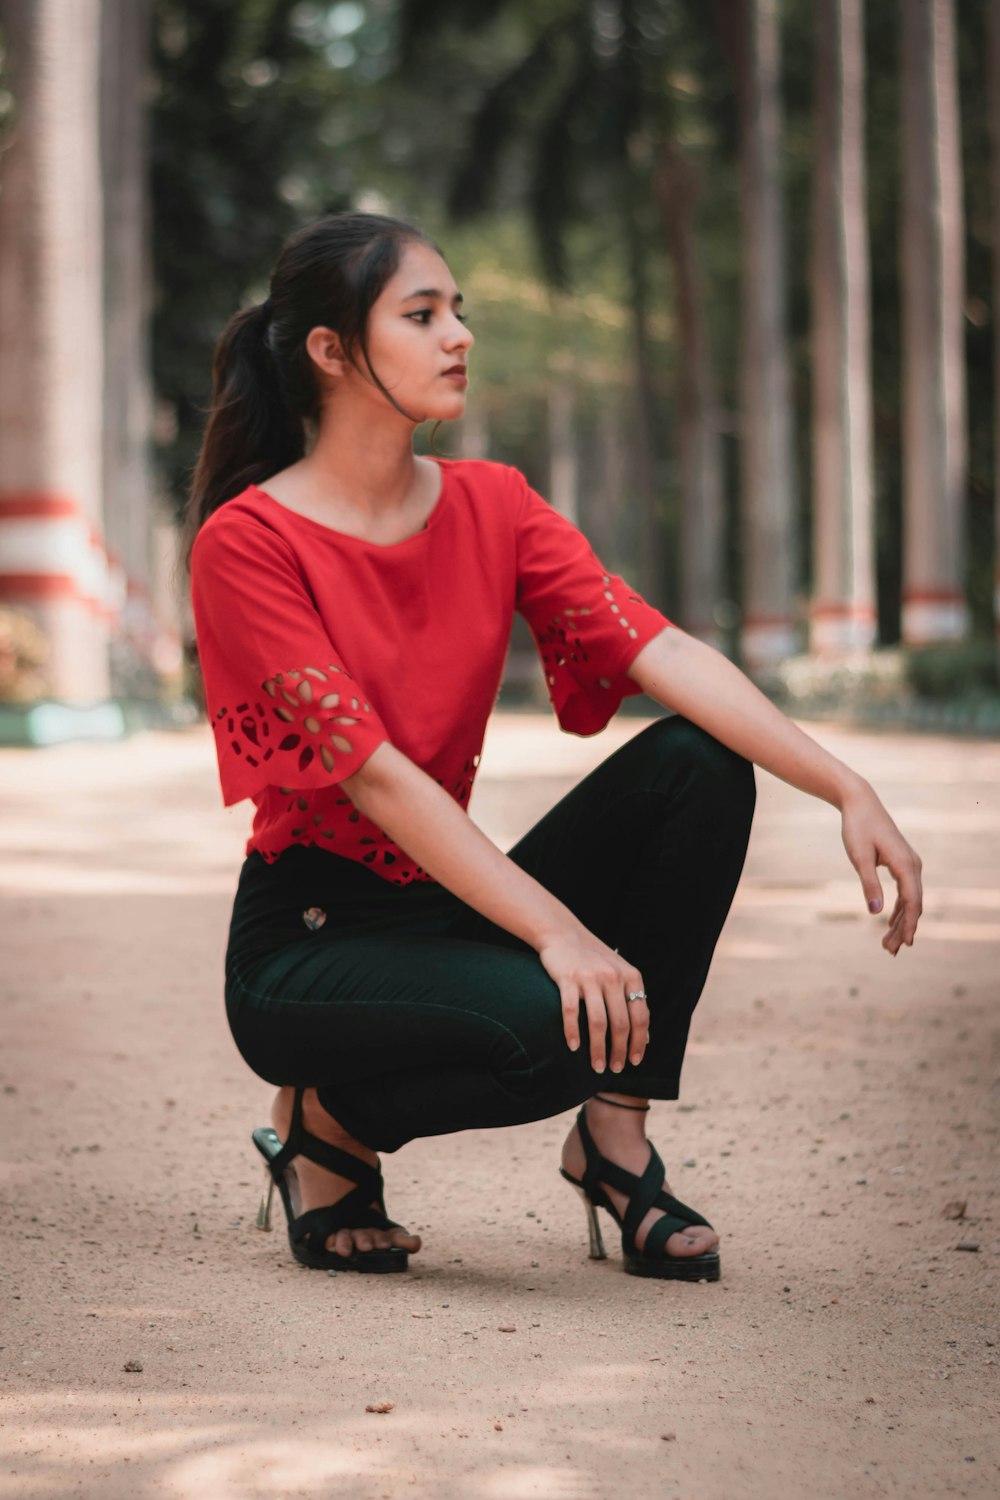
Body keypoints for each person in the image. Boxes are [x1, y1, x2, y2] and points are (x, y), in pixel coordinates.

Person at [185, 211, 923, 1283]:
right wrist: (563, 934)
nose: (459, 336)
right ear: (332, 351)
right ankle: (326, 1124)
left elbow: (659, 649)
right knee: (573, 1019)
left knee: (698, 764)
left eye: (460, 312)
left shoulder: (494, 503)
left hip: (446, 902)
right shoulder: (249, 543)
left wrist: (844, 787)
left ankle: (614, 1146)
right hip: (307, 940)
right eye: (422, 314)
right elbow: (378, 778)